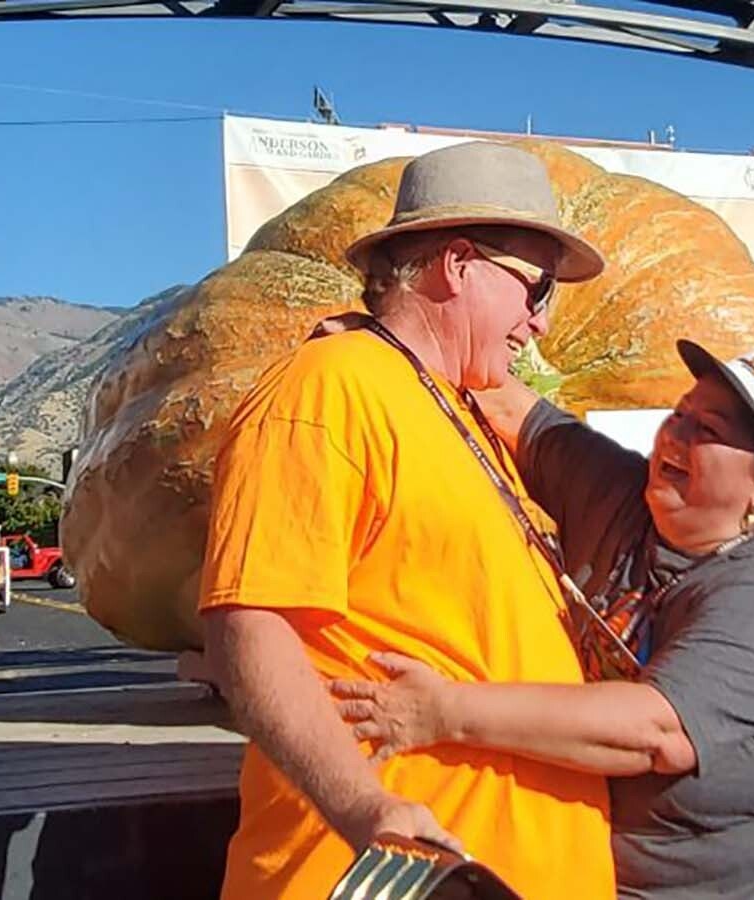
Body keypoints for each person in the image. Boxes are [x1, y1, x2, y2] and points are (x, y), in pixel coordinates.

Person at [197, 141, 614, 899]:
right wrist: (367, 810)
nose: (541, 325)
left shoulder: (457, 411)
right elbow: (249, 627)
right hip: (394, 878)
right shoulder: (329, 390)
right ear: (458, 265)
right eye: (537, 290)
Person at [332, 341, 754, 898]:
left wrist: (441, 711)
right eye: (680, 413)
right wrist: (392, 340)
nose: (675, 435)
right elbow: (509, 408)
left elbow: (652, 733)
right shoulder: (619, 494)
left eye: (707, 429)